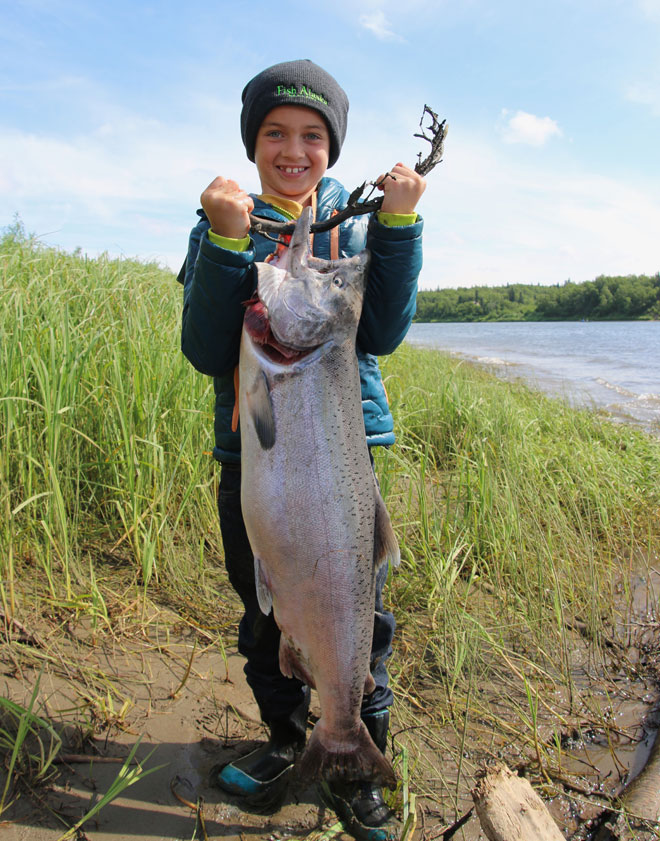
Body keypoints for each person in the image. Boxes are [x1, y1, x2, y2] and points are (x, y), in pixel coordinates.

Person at [180, 59, 424, 841]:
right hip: (253, 465)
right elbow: (206, 345)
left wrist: (399, 226)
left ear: (333, 149)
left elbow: (379, 329)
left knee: (365, 618)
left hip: (344, 469)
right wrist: (225, 243)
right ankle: (292, 741)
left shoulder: (355, 226)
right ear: (253, 145)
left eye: (312, 136)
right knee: (264, 616)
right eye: (275, 134)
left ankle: (355, 752)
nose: (293, 149)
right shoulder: (227, 221)